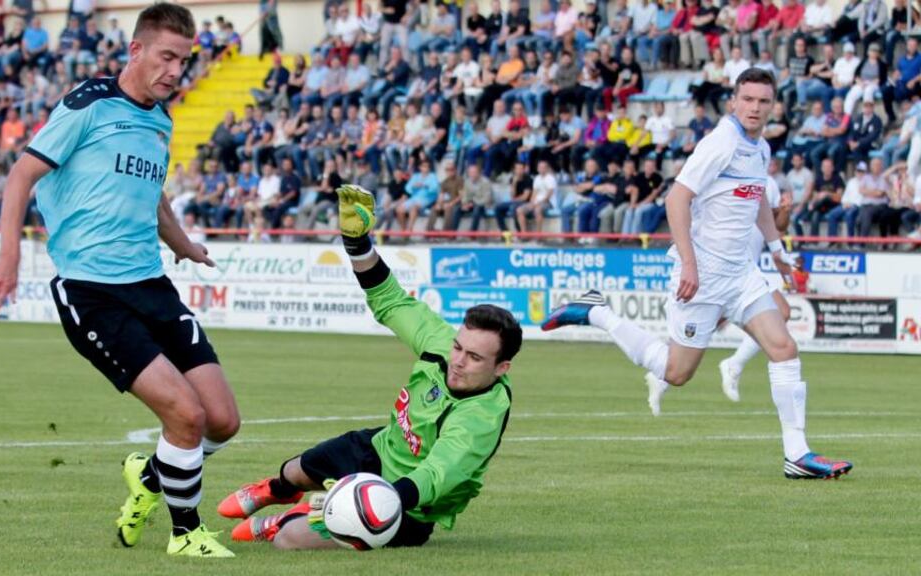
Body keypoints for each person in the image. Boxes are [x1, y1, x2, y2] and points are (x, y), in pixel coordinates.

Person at [0, 4, 239, 558]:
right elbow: (21, 174)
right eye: (167, 56)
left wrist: (183, 244)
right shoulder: (88, 105)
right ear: (136, 51)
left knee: (221, 420)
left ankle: (150, 477)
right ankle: (185, 533)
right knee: (185, 415)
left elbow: (155, 195)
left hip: (151, 285)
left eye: (184, 61)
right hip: (92, 292)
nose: (175, 70)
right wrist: (6, 257)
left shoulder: (162, 119)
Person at [542, 69, 852, 480]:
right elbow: (677, 198)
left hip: (739, 274)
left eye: (763, 101)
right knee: (676, 372)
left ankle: (797, 455)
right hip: (703, 272)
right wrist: (688, 263)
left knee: (783, 347)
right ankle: (596, 312)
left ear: (773, 105)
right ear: (734, 102)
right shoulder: (720, 143)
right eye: (748, 99)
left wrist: (777, 251)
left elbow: (757, 199)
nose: (755, 107)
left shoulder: (760, 148)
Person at [218, 185, 521, 549]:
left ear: (501, 367)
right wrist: (357, 243)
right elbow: (390, 299)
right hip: (379, 448)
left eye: (474, 358)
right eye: (459, 347)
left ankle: (287, 518)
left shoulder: (482, 416)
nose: (458, 360)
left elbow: (440, 472)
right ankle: (278, 490)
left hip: (407, 506)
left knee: (288, 541)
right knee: (295, 469)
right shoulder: (441, 344)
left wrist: (373, 500)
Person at [717, 174, 793, 400]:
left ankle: (734, 364)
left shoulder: (767, 183)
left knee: (782, 312)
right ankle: (661, 372)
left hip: (749, 268)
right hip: (723, 264)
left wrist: (785, 211)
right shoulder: (723, 175)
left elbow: (777, 226)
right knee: (693, 339)